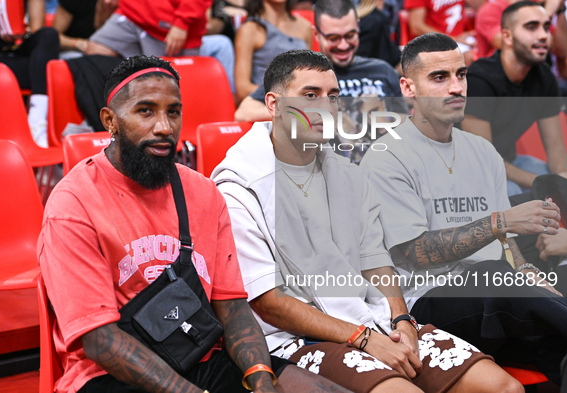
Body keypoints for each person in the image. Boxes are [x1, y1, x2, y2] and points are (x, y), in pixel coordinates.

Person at [213, 48, 523, 393]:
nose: (325, 108)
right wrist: (362, 339)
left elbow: (375, 260)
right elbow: (268, 302)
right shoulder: (238, 186)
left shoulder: (348, 174)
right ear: (273, 105)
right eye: (310, 95)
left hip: (371, 319)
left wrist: (402, 319)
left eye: (333, 97)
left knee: (504, 388)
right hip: (297, 339)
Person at [37, 55, 351, 393]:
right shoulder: (73, 204)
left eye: (173, 112)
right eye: (146, 111)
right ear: (110, 121)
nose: (164, 127)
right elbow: (100, 340)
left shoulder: (203, 192)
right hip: (109, 373)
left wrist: (261, 378)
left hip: (200, 354)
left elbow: (232, 307)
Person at [360, 32, 567, 383]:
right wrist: (500, 221)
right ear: (408, 88)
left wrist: (532, 275)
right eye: (439, 77)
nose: (457, 87)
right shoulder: (387, 158)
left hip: (498, 297)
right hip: (429, 300)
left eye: (461, 75)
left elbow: (507, 247)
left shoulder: (482, 151)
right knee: (491, 274)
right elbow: (417, 252)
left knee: (560, 323)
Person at [235, 0, 406, 163]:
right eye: (333, 38)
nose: (344, 45)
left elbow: (404, 123)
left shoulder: (383, 71)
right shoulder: (303, 73)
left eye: (350, 35)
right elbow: (244, 111)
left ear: (358, 27)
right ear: (316, 34)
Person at [462, 1, 567, 196]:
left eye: (546, 27)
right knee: (511, 193)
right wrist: (543, 183)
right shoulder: (479, 81)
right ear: (507, 36)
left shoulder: (544, 77)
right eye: (531, 27)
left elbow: (556, 150)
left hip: (510, 159)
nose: (543, 35)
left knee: (564, 185)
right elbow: (484, 161)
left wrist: (564, 181)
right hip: (468, 169)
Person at [85, 0, 236, 93]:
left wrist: (182, 23)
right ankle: (107, 111)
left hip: (171, 25)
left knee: (167, 85)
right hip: (131, 12)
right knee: (96, 49)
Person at [0, 0, 59, 147]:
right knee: (41, 71)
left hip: (15, 56)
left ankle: (37, 121)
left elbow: (37, 29)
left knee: (49, 35)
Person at [233, 0, 311, 102]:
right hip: (265, 104)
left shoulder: (305, 27)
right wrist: (285, 96)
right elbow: (242, 89)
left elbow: (311, 75)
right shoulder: (250, 29)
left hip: (302, 103)